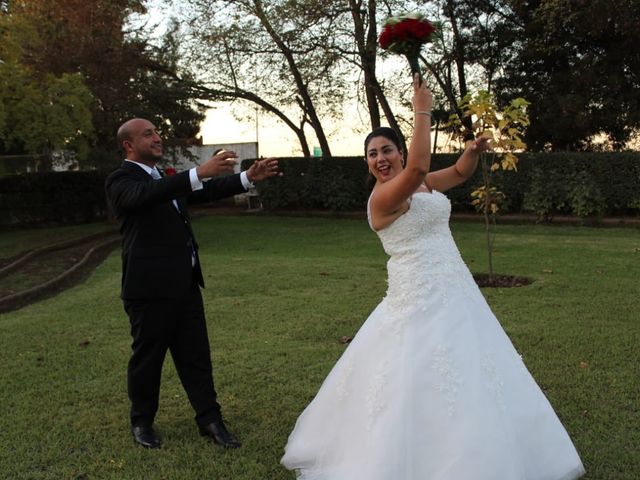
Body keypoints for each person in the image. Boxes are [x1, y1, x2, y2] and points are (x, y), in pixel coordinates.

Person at [281, 75, 585, 479]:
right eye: (371, 154)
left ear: (399, 152)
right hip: (416, 297)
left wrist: (472, 151)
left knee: (473, 367)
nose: (379, 159)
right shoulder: (385, 196)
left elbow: (458, 173)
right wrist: (421, 107)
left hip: (456, 290)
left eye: (386, 149)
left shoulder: (421, 182)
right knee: (413, 372)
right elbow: (420, 163)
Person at [105, 118, 278, 450]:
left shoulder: (164, 178)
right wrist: (198, 171)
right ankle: (142, 422)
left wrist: (247, 177)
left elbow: (205, 191)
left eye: (157, 132)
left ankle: (210, 420)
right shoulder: (122, 180)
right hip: (148, 291)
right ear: (128, 145)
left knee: (196, 357)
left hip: (185, 286)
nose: (158, 138)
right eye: (148, 134)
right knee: (148, 360)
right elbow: (145, 196)